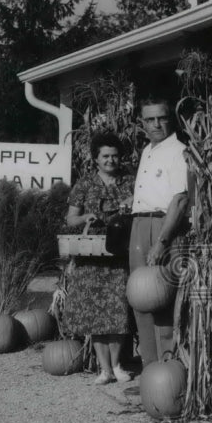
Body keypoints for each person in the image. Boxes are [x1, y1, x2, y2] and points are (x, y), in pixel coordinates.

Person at [62, 132, 135, 385]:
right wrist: (85, 218)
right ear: (95, 158)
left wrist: (132, 203)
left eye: (115, 156)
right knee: (95, 313)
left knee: (118, 311)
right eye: (105, 156)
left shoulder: (131, 183)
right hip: (91, 257)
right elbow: (70, 219)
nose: (110, 160)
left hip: (119, 256)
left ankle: (117, 365)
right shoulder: (84, 185)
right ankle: (104, 369)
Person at [129, 97, 189, 367]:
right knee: (140, 298)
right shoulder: (147, 150)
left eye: (161, 118)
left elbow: (180, 200)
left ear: (170, 119)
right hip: (139, 225)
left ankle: (168, 368)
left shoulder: (178, 151)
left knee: (162, 297)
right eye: (149, 119)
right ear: (142, 123)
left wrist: (162, 241)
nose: (156, 124)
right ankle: (150, 370)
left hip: (163, 226)